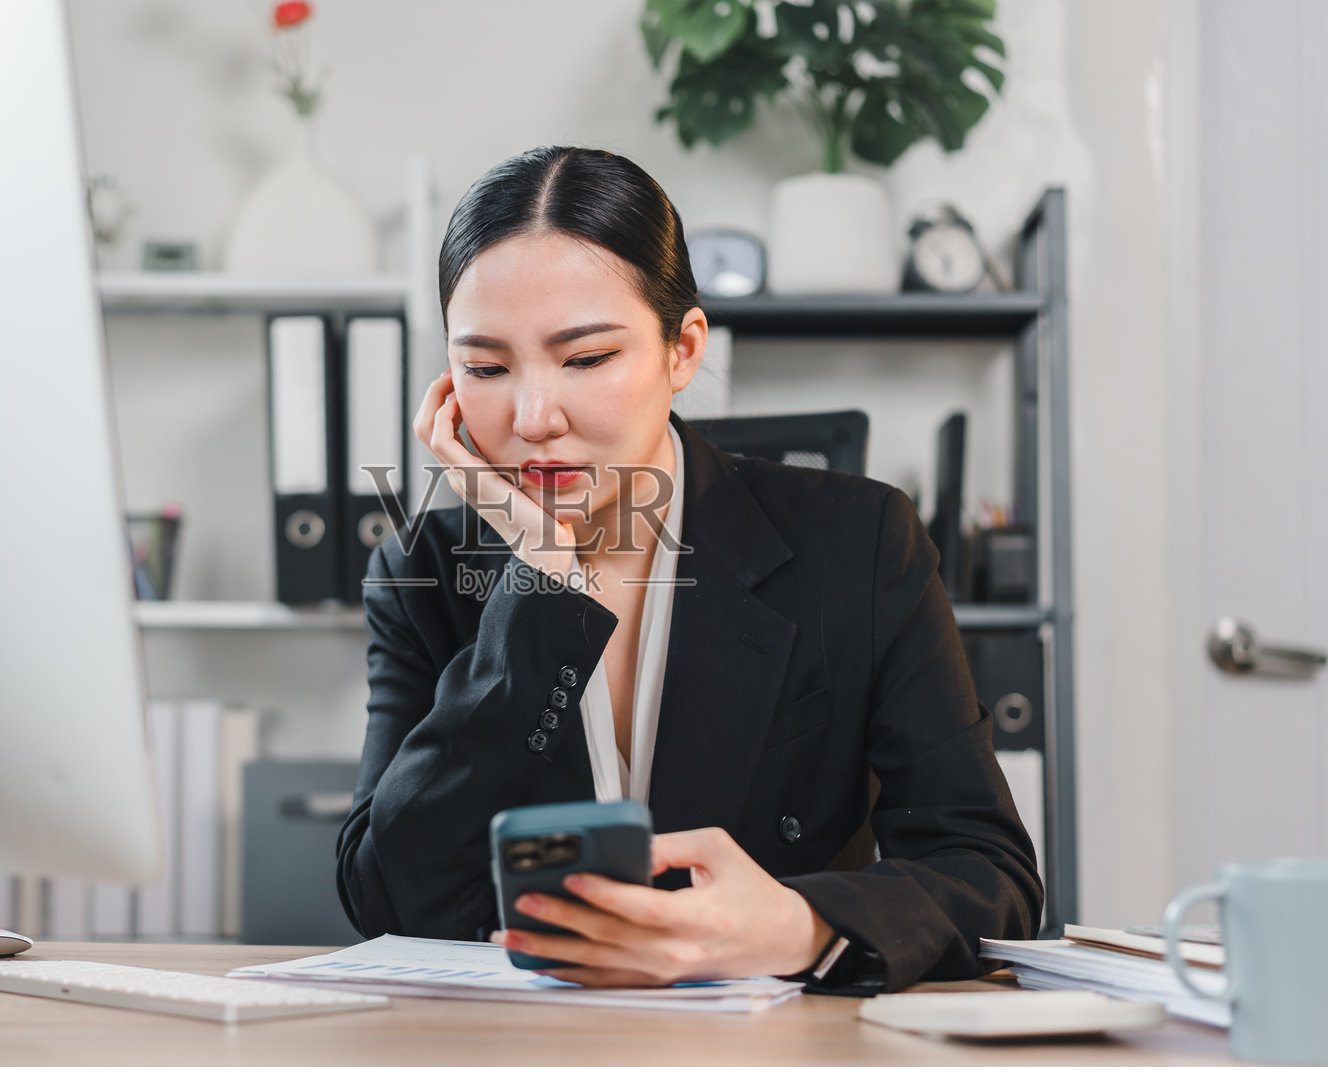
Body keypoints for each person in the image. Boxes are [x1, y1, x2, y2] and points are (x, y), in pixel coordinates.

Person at [335, 146, 1041, 993]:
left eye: (587, 357)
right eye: (486, 368)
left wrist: (797, 923)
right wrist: (542, 581)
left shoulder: (858, 539)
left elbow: (988, 871)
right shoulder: (422, 571)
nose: (533, 418)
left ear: (683, 349)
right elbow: (384, 893)